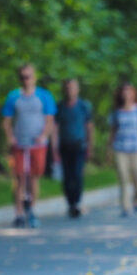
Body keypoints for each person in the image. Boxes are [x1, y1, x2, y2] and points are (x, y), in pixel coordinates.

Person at [2, 64, 57, 228]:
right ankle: (18, 213)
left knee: (33, 177)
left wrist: (43, 135)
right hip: (20, 143)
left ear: (35, 77)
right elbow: (6, 121)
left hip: (37, 144)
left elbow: (50, 120)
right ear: (20, 79)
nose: (27, 80)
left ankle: (32, 211)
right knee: (19, 178)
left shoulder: (44, 96)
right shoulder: (14, 97)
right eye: (24, 77)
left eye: (30, 76)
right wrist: (10, 137)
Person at [54, 78, 94, 218]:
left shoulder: (84, 106)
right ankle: (70, 203)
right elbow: (55, 128)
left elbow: (89, 127)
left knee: (77, 175)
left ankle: (77, 202)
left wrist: (90, 145)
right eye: (68, 87)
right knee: (67, 176)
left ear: (78, 89)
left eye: (73, 87)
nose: (70, 90)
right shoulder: (60, 107)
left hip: (79, 146)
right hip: (64, 146)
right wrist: (54, 149)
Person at [110, 82, 137, 217]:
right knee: (123, 177)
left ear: (133, 93)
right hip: (120, 148)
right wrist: (109, 148)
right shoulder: (116, 111)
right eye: (124, 91)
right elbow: (113, 131)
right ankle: (125, 206)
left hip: (136, 148)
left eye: (129, 91)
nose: (126, 94)